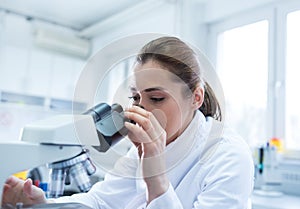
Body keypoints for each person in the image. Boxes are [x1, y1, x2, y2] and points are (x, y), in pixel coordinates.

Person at [2, 36, 254, 209]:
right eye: (136, 97)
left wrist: (155, 175)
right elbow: (101, 201)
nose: (141, 109)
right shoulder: (141, 149)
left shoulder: (228, 155)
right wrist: (43, 203)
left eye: (156, 98)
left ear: (196, 97)